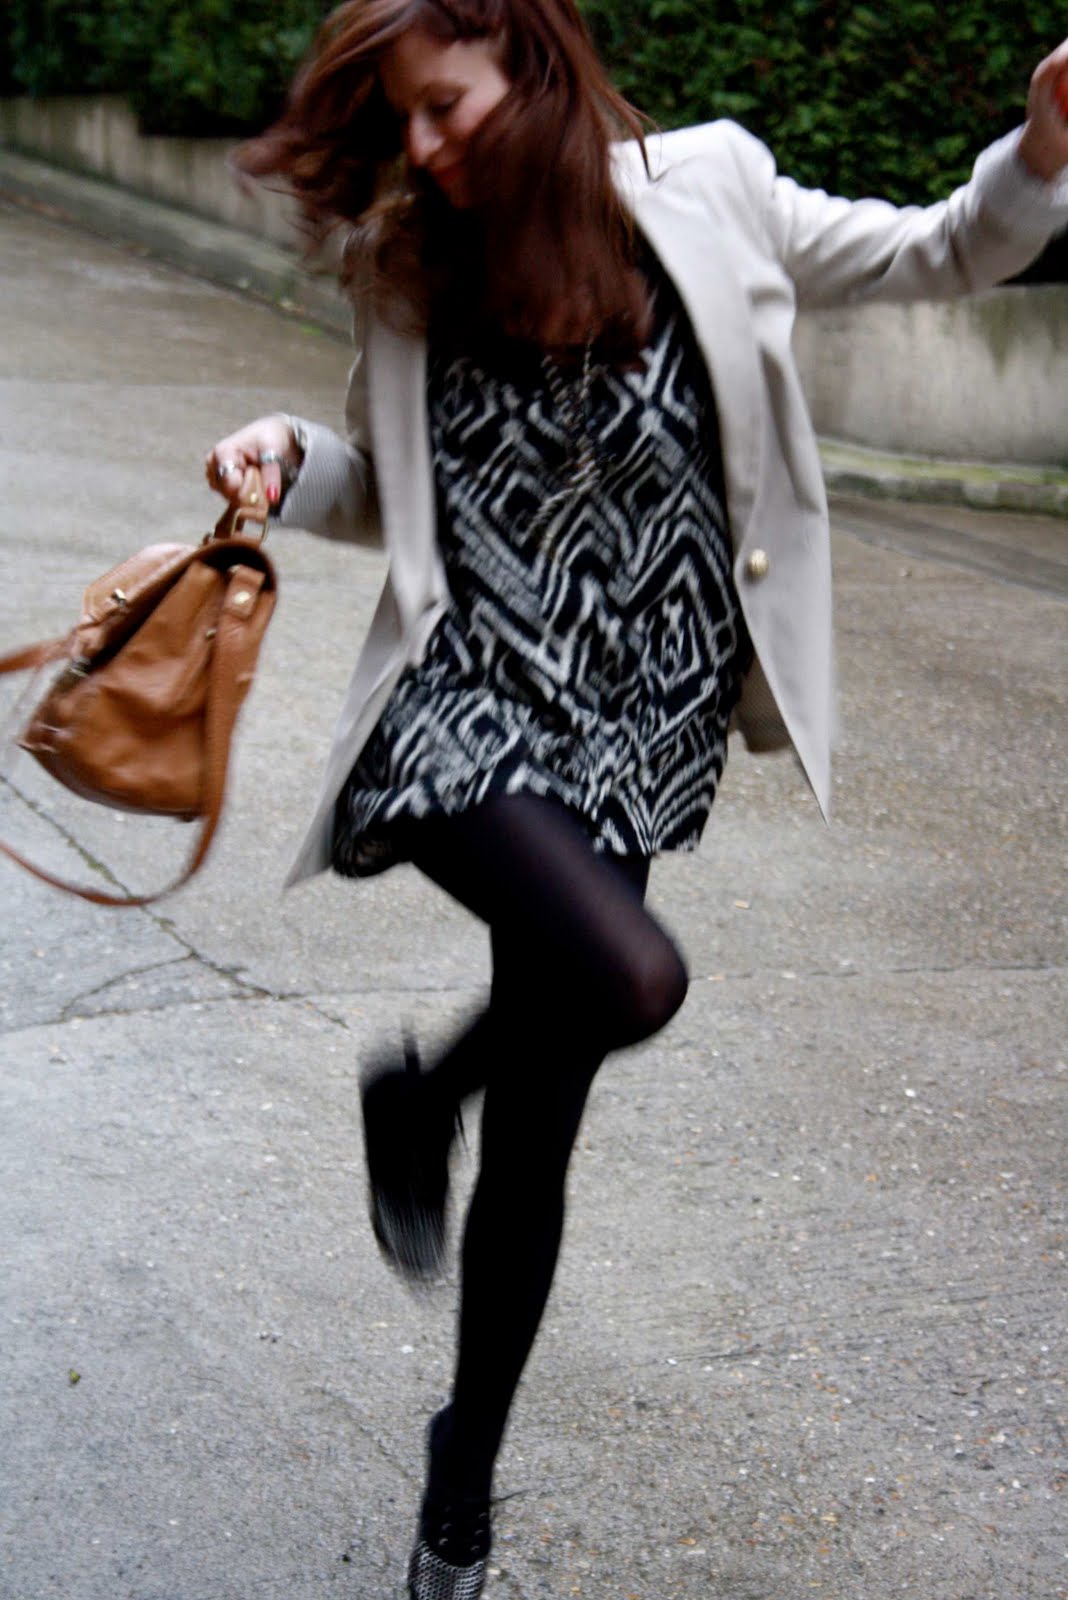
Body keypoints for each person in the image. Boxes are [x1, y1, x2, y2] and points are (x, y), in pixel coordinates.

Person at [206, 4, 1068, 1594]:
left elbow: (939, 252)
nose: (423, 149)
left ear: (524, 61)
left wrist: (1038, 152)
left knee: (541, 1130)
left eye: (444, 105)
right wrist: (282, 453)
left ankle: (461, 1474)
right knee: (632, 977)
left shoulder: (712, 188)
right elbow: (390, 487)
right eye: (404, 122)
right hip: (472, 694)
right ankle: (421, 1101)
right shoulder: (414, 261)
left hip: (643, 715)